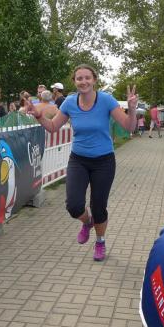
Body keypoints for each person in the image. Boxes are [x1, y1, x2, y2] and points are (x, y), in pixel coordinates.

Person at [26, 64, 137, 261]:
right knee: (74, 205)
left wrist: (133, 109)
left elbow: (129, 127)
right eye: (79, 78)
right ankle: (87, 222)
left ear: (94, 80)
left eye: (87, 77)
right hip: (79, 160)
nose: (83, 81)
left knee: (98, 206)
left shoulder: (106, 100)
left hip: (104, 161)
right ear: (74, 82)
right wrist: (39, 115)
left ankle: (100, 241)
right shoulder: (69, 102)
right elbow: (52, 127)